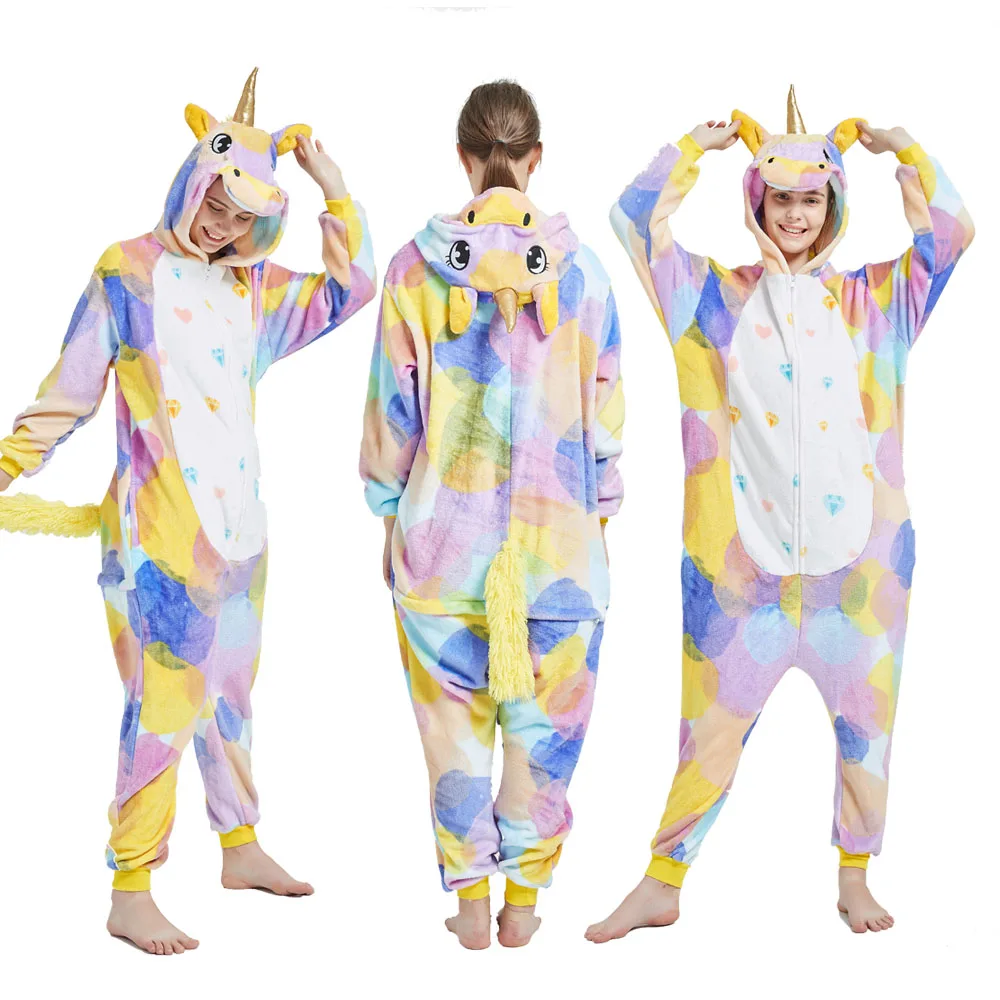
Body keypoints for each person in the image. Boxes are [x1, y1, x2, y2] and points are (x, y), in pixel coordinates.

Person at [0, 69, 376, 954]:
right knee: (162, 704)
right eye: (216, 201)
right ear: (191, 180)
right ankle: (131, 886)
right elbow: (71, 391)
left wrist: (331, 184)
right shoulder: (126, 272)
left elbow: (350, 288)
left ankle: (239, 846)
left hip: (241, 534)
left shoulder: (256, 288)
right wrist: (8, 465)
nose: (222, 225)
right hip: (156, 539)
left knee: (231, 694)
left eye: (244, 215)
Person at [586, 86, 973, 942]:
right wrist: (693, 147)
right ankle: (663, 880)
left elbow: (952, 234)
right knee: (705, 736)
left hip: (860, 574)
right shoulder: (707, 301)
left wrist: (906, 151)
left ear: (834, 205)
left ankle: (854, 877)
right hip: (739, 578)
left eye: (812, 200)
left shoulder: (877, 303)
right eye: (781, 198)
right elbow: (633, 220)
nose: (796, 215)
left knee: (868, 732)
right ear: (756, 200)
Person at [360, 80, 624, 949]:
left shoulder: (415, 270)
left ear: (463, 157)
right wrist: (599, 520)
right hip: (560, 560)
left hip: (441, 551)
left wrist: (391, 516)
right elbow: (605, 420)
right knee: (543, 743)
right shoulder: (583, 274)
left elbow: (393, 415)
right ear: (535, 157)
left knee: (454, 743)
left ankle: (470, 907)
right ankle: (523, 907)